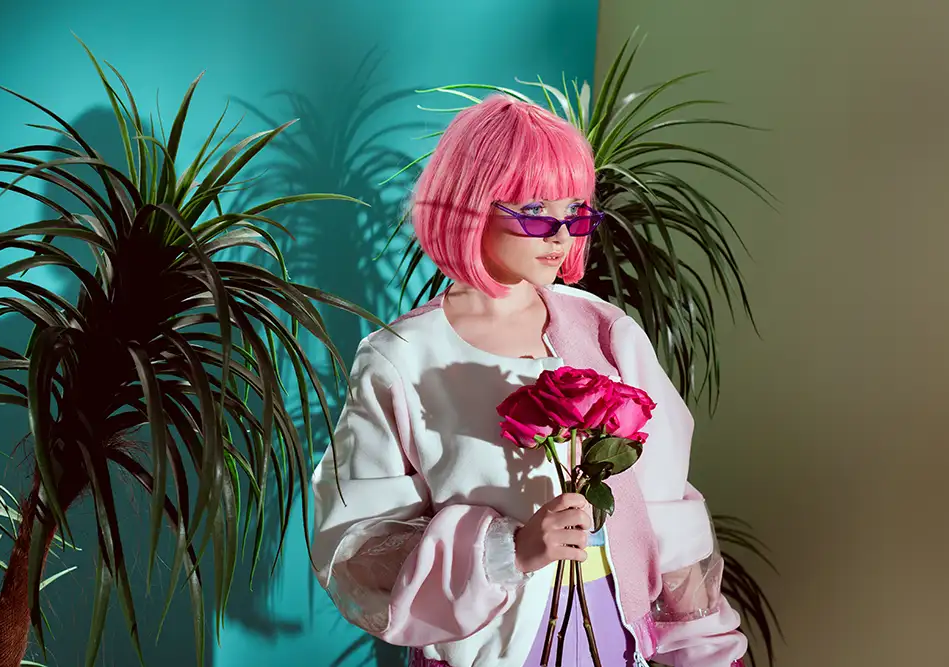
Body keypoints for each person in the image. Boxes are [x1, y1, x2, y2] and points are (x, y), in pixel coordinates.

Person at [309, 95, 747, 667]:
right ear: (469, 206)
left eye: (577, 212)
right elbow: (355, 551)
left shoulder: (604, 332)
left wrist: (706, 650)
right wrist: (504, 549)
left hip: (612, 637)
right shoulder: (402, 359)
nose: (561, 236)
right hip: (489, 648)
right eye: (537, 213)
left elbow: (665, 507)